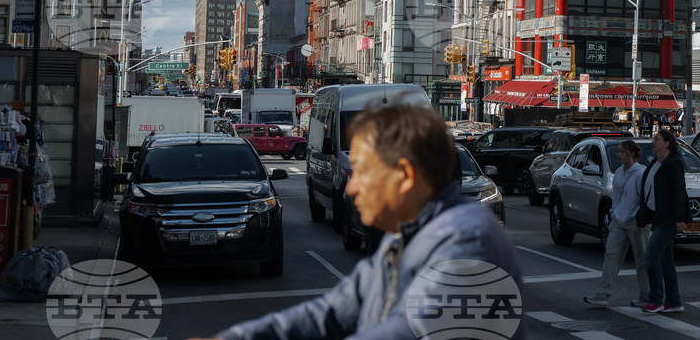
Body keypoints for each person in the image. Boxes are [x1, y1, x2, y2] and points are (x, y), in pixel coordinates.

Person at [189, 104, 525, 340]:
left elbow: (412, 330)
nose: (350, 187)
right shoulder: (402, 238)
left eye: (362, 171)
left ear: (404, 175)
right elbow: (331, 314)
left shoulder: (467, 241)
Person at [584, 140, 649, 308]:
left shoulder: (640, 173)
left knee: (641, 260)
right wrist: (615, 213)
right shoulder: (619, 173)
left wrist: (639, 219)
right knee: (610, 256)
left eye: (622, 152)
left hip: (636, 223)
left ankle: (646, 296)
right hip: (619, 222)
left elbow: (645, 199)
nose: (619, 154)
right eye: (618, 151)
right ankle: (603, 294)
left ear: (631, 154)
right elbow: (617, 198)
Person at [639, 129, 691, 314]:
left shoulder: (673, 164)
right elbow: (649, 191)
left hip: (669, 218)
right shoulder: (656, 163)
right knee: (666, 259)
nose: (652, 142)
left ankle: (656, 299)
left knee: (651, 253)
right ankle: (674, 301)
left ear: (667, 143)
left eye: (656, 139)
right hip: (658, 217)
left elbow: (679, 193)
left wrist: (679, 219)